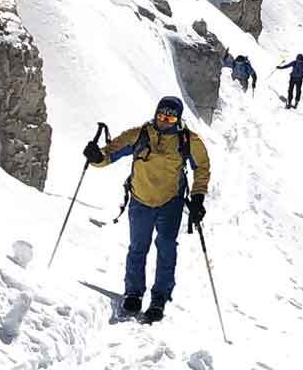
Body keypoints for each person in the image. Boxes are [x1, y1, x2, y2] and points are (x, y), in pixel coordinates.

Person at [82, 96, 211, 323]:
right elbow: (109, 154)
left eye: (170, 117)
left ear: (178, 119)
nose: (164, 120)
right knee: (138, 248)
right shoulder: (139, 134)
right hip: (141, 201)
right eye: (161, 115)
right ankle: (133, 293)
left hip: (170, 203)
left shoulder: (188, 140)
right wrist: (95, 157)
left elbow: (202, 166)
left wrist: (198, 196)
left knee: (166, 249)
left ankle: (159, 299)